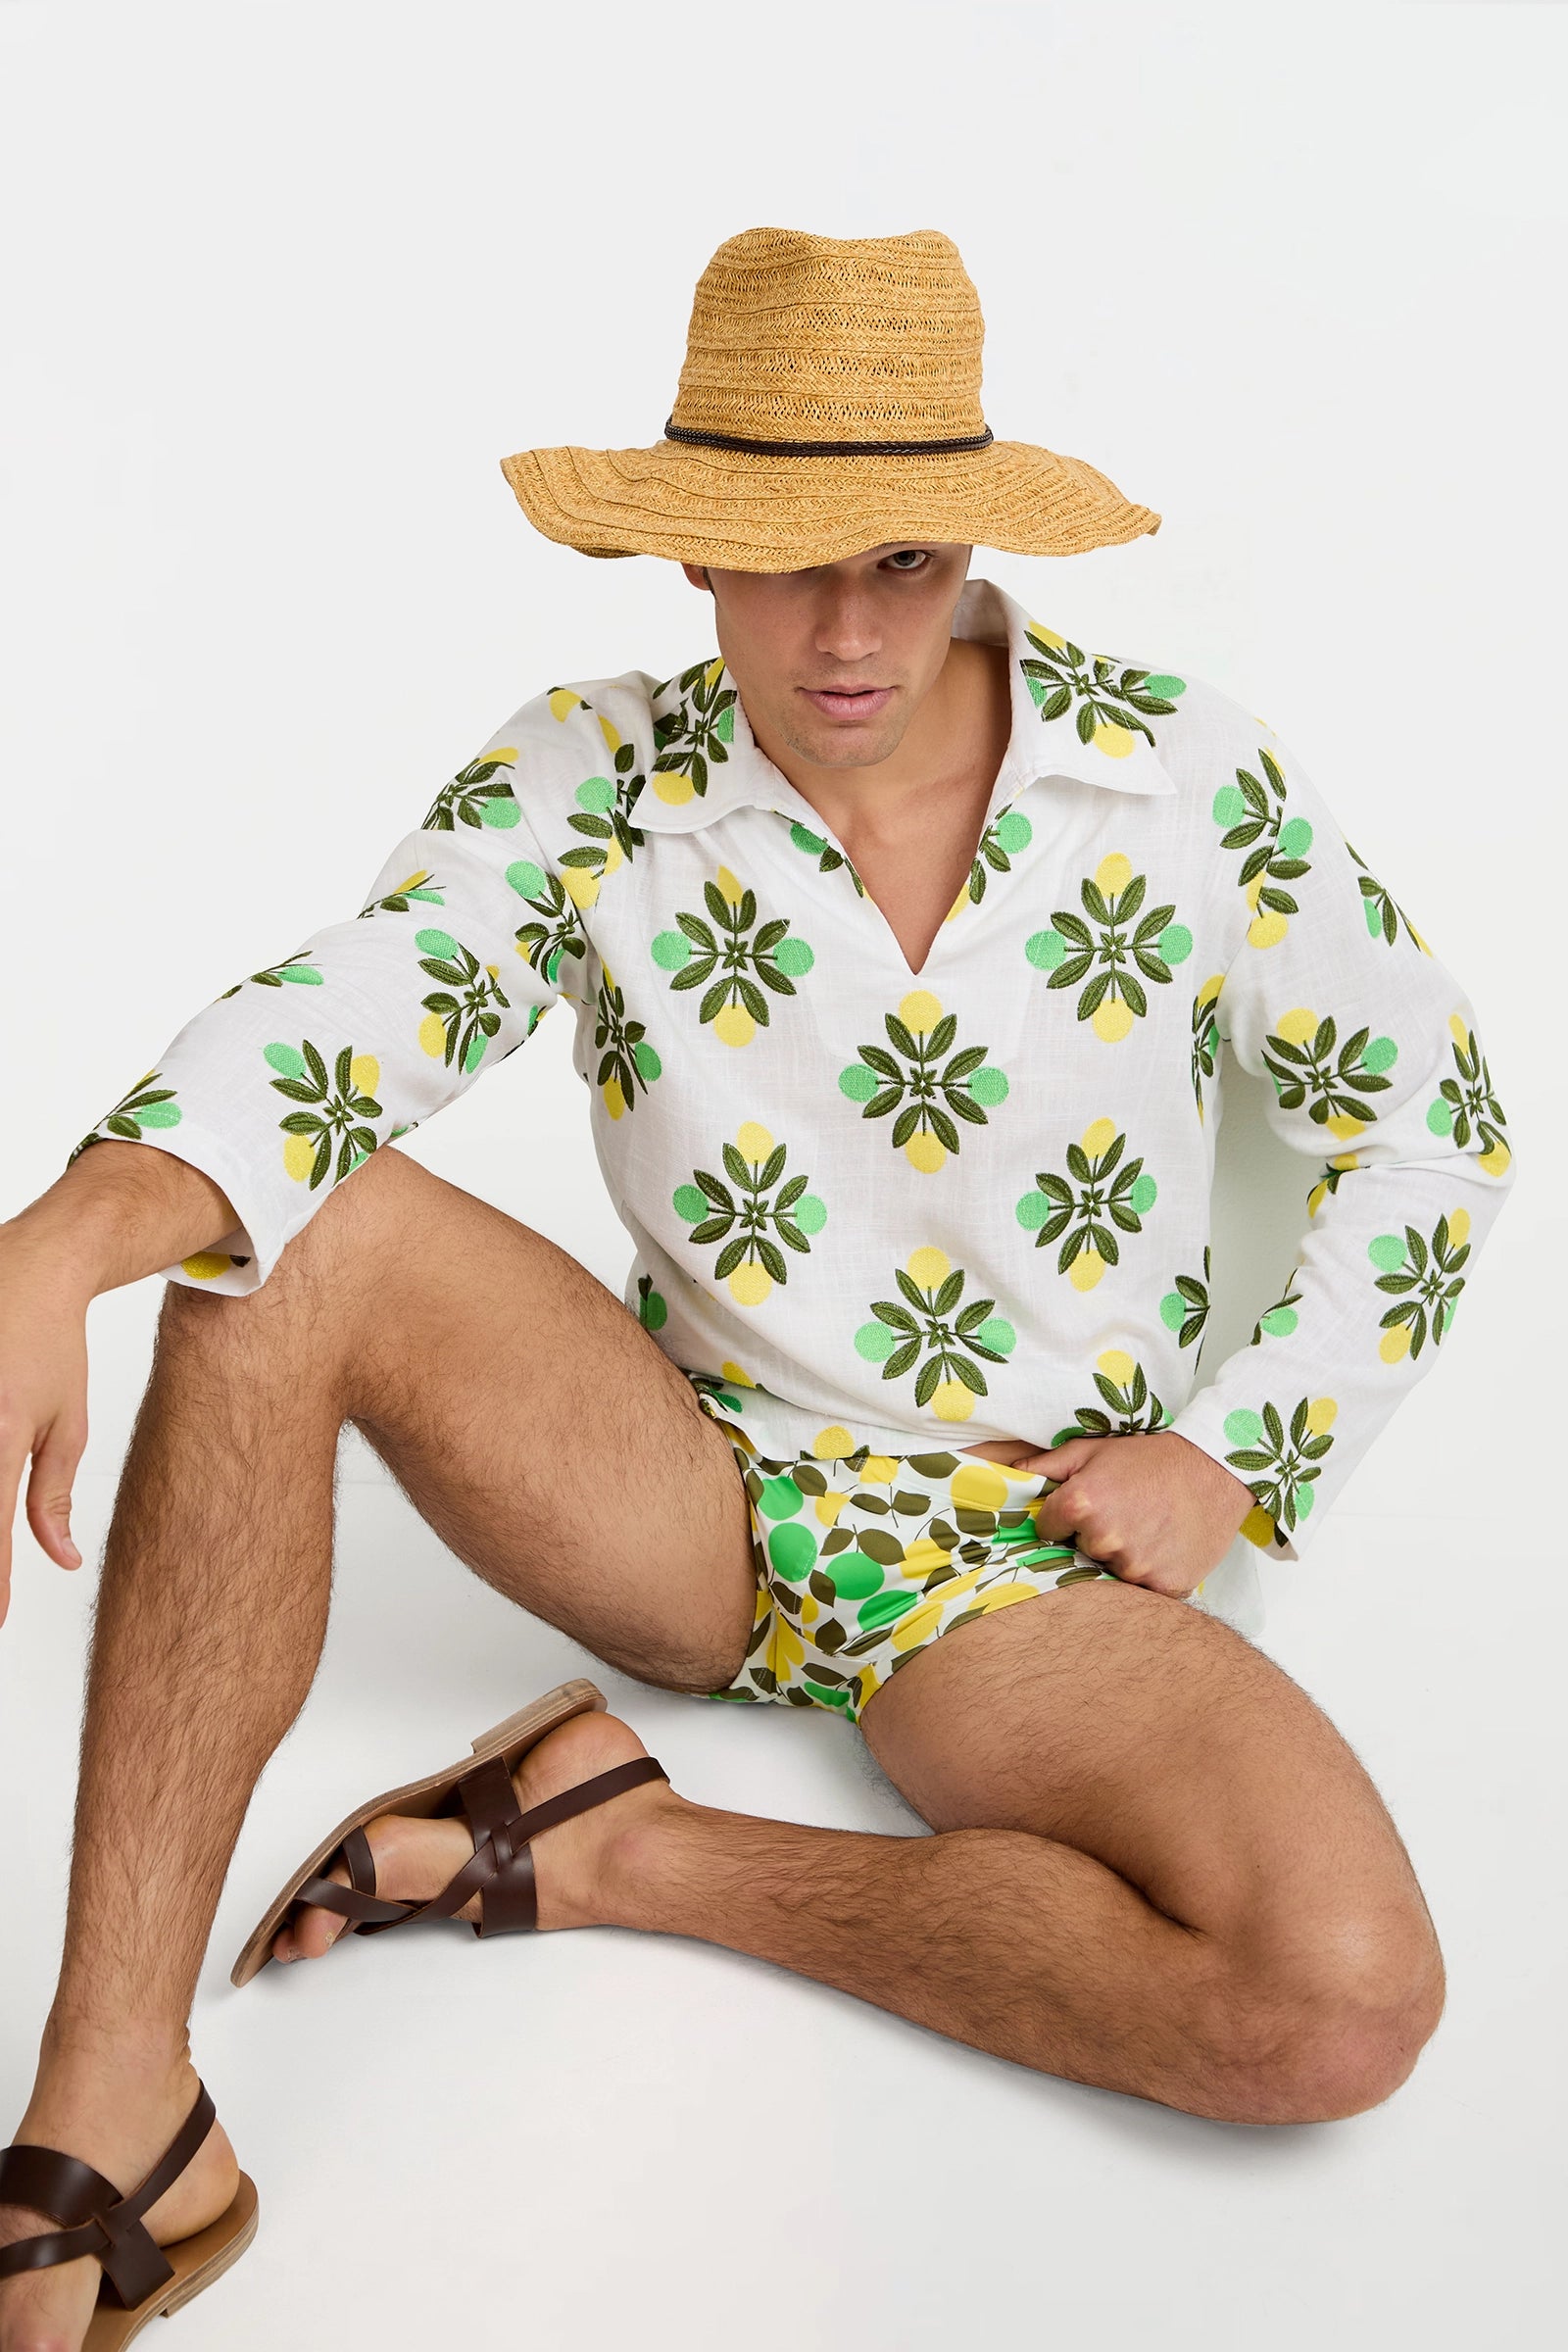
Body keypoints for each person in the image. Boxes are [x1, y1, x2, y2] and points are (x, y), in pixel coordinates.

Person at [0, 225, 1514, 2344]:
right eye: (777, 558)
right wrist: (54, 1244)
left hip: (1025, 1558)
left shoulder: (1181, 778)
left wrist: (1234, 1454)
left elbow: (1426, 1122)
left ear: (972, 535)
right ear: (684, 557)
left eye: (898, 559)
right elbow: (359, 1010)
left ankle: (615, 1849)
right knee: (298, 1221)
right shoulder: (596, 771)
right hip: (682, 1489)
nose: (839, 629)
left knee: (1333, 2005)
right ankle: (116, 2094)